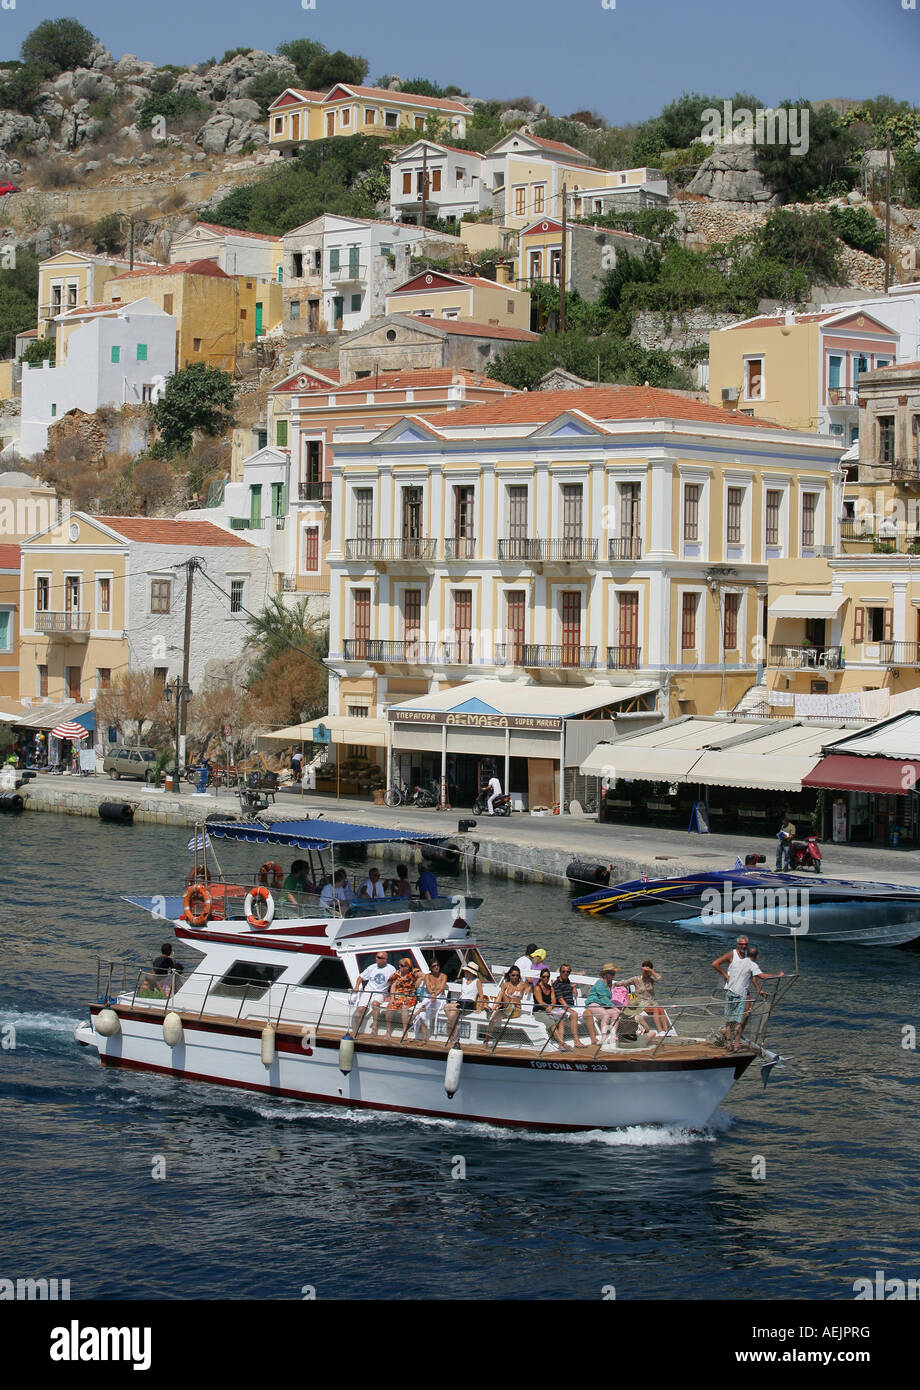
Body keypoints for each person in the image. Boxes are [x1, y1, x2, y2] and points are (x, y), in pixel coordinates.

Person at [712, 939, 783, 1052]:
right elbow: (761, 976)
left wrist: (758, 989)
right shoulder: (752, 964)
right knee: (740, 1019)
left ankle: (729, 1043)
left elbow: (751, 976)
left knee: (729, 1020)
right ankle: (736, 1043)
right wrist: (778, 975)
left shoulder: (738, 961)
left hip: (730, 992)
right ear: (757, 956)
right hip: (740, 994)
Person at [483, 965, 530, 1044]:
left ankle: (492, 1009)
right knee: (492, 1021)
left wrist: (528, 989)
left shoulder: (522, 985)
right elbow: (501, 998)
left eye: (517, 975)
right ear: (509, 975)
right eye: (513, 975)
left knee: (502, 993)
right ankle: (486, 1041)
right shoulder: (506, 985)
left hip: (515, 1010)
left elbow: (531, 988)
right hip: (505, 1009)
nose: (515, 977)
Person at [352, 951, 396, 1035]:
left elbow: (394, 983)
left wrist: (391, 995)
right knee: (360, 1010)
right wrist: (357, 986)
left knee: (375, 1004)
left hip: (380, 993)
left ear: (385, 959)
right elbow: (360, 977)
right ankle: (355, 1030)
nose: (377, 959)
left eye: (379, 958)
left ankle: (374, 1027)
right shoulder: (372, 967)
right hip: (368, 991)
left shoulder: (391, 969)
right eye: (376, 957)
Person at [444, 961, 486, 1046]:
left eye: (466, 971)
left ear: (471, 973)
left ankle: (453, 1039)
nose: (464, 972)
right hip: (461, 1001)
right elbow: (462, 993)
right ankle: (455, 1030)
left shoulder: (477, 981)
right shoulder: (464, 980)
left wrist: (479, 1008)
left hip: (469, 1002)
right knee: (446, 1008)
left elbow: (481, 995)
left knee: (451, 1017)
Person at [623, 961, 669, 1037]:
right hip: (641, 1003)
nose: (646, 972)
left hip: (651, 1002)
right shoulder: (636, 979)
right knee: (656, 1009)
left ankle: (666, 1031)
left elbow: (659, 978)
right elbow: (625, 983)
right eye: (645, 970)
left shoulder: (650, 979)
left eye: (648, 970)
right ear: (642, 970)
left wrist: (651, 971)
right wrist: (615, 985)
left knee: (661, 1009)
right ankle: (660, 1031)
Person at [583, 963, 624, 1047]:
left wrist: (616, 1009)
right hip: (593, 1003)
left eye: (614, 973)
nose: (613, 975)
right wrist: (615, 1007)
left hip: (602, 1005)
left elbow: (606, 1000)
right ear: (605, 974)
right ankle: (603, 1037)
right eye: (611, 973)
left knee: (615, 1013)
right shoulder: (600, 983)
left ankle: (612, 1035)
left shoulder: (609, 983)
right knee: (605, 1015)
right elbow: (603, 998)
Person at [531, 968, 570, 1049]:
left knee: (561, 1020)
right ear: (541, 977)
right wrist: (548, 1007)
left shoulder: (550, 988)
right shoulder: (537, 988)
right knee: (551, 1022)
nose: (546, 978)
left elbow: (554, 1001)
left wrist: (551, 1007)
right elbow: (540, 1002)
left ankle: (560, 1044)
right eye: (544, 976)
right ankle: (562, 1043)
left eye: (547, 977)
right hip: (539, 1011)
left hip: (550, 1010)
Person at [414, 957, 449, 1044]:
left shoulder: (443, 976)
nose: (436, 967)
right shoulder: (427, 976)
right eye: (434, 966)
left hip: (440, 998)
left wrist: (434, 995)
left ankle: (417, 1012)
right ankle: (425, 1037)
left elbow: (441, 989)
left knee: (429, 1002)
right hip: (430, 997)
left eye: (437, 965)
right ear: (430, 968)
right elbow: (429, 989)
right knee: (422, 1015)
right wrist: (433, 995)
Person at [386, 957, 421, 1039]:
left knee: (404, 1007)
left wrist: (419, 979)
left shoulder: (413, 972)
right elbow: (391, 984)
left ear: (407, 967)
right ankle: (388, 1031)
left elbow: (424, 975)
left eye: (402, 965)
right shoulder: (397, 974)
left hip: (410, 997)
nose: (400, 967)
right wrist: (392, 998)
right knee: (389, 1007)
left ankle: (405, 1032)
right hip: (398, 996)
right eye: (399, 965)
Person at [552, 962, 584, 1046]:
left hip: (571, 1006)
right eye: (564, 971)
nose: (566, 973)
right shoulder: (557, 984)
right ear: (560, 972)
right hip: (562, 1007)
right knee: (574, 1014)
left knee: (589, 1013)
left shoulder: (567, 981)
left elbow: (566, 989)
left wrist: (572, 987)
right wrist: (569, 1009)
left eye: (568, 972)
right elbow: (560, 999)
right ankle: (576, 1041)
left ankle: (594, 1039)